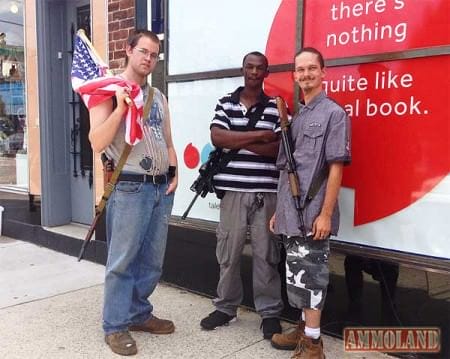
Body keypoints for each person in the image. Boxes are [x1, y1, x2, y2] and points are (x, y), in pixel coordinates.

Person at [89, 30, 178, 356]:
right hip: (128, 186)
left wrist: (174, 170)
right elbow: (97, 141)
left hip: (159, 188)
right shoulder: (107, 91)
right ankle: (115, 326)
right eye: (143, 52)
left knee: (152, 261)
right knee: (122, 262)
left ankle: (139, 313)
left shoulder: (158, 97)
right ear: (128, 50)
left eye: (154, 55)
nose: (149, 59)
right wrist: (120, 110)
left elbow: (167, 140)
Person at [269, 47, 351, 358]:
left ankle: (314, 345)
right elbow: (288, 171)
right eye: (300, 70)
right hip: (293, 213)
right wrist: (280, 211)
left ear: (323, 72)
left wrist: (326, 214)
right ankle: (305, 329)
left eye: (311, 69)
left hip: (315, 213)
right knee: (298, 275)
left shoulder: (334, 114)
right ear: (294, 75)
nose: (306, 74)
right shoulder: (298, 116)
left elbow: (335, 169)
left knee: (312, 276)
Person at [200, 51, 284, 339]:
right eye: (250, 66)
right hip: (233, 192)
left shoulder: (276, 107)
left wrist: (239, 138)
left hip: (266, 192)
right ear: (242, 69)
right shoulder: (225, 102)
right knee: (228, 253)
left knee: (267, 255)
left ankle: (270, 313)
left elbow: (277, 150)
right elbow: (217, 138)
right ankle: (225, 307)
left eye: (260, 68)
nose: (254, 72)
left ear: (266, 73)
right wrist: (259, 136)